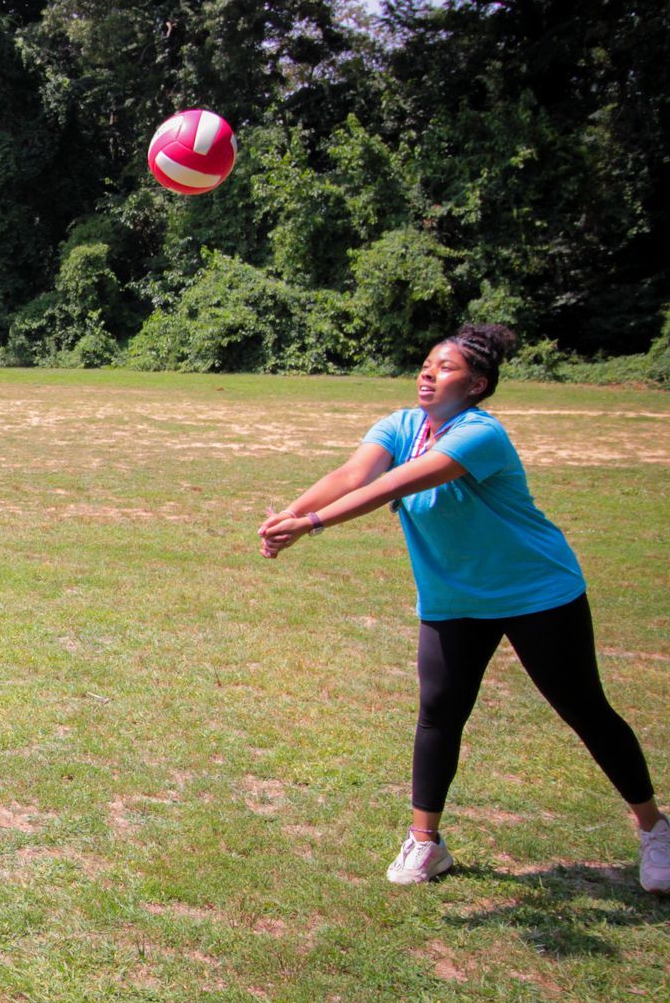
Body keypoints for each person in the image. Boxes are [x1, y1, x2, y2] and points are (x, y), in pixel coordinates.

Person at [259, 324, 667, 892]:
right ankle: (426, 844)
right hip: (454, 599)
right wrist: (289, 515)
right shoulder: (400, 425)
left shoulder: (480, 434)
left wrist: (312, 524)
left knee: (584, 709)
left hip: (536, 592)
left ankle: (654, 829)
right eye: (426, 363)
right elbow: (354, 475)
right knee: (439, 714)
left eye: (445, 367)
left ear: (476, 384)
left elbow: (394, 483)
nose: (428, 373)